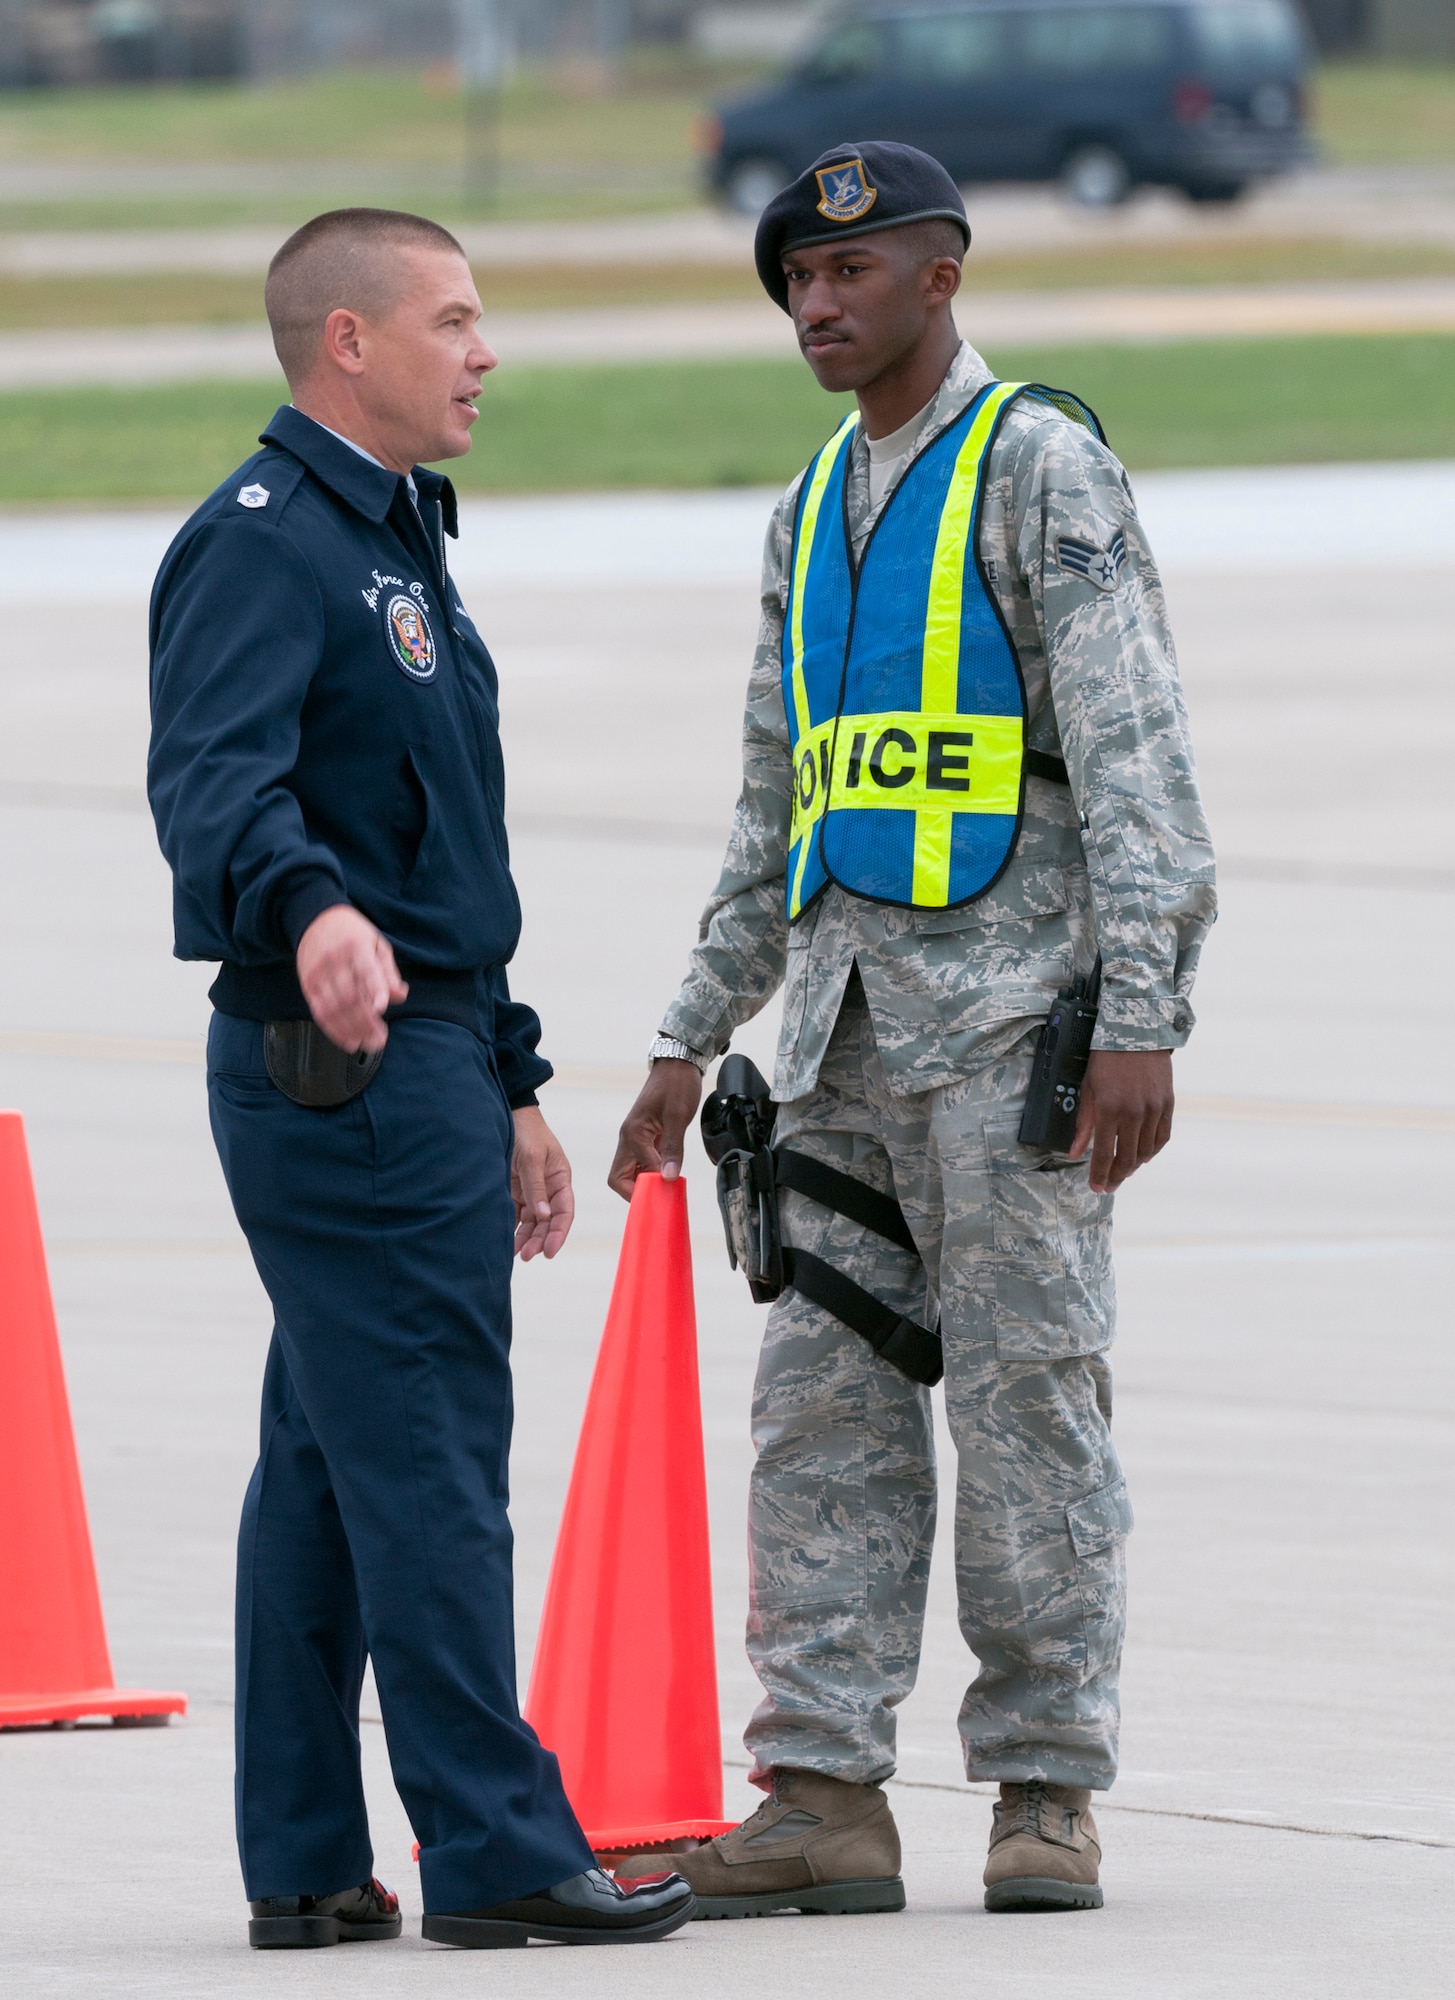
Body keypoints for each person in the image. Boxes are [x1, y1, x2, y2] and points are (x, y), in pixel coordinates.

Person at [611, 145, 1215, 1918]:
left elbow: (1134, 758)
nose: (817, 303)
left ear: (942, 274)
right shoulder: (808, 509)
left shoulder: (1043, 467)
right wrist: (686, 1030)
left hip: (1017, 1034)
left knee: (1032, 1411)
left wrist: (1145, 1015)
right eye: (797, 278)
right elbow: (770, 803)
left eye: (852, 273)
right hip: (838, 1048)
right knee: (820, 1421)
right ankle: (820, 1791)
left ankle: (1046, 1788)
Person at [147, 207, 693, 1953]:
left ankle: (310, 1857)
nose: (486, 350)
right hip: (354, 1071)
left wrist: (514, 1082)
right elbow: (216, 787)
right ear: (349, 346)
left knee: (331, 1456)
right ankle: (499, 1846)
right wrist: (308, 911)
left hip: (428, 1053)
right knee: (436, 1463)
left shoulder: (390, 541)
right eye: (454, 319)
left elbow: (445, 855)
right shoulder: (264, 546)